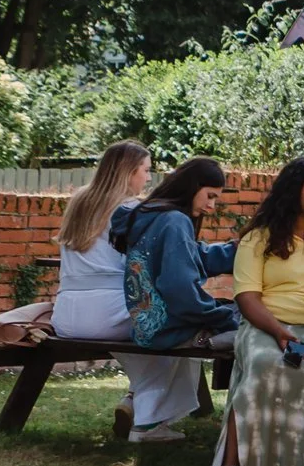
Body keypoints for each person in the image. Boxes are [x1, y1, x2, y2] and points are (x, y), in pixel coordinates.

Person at [208, 156, 304, 466]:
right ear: (292, 191)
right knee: (265, 365)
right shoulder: (259, 238)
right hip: (265, 323)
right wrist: (279, 332)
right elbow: (247, 297)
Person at [54, 142, 202, 442]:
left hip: (67, 314)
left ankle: (135, 399)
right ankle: (148, 421)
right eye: (146, 170)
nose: (148, 178)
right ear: (129, 171)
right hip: (108, 312)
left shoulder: (79, 200)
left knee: (153, 330)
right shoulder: (131, 209)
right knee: (181, 325)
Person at [111, 158, 238, 390]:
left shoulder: (151, 215)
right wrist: (224, 318)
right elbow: (181, 291)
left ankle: (136, 402)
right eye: (210, 196)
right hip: (171, 330)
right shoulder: (175, 221)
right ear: (191, 186)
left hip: (146, 328)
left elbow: (192, 257)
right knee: (251, 323)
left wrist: (237, 251)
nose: (211, 206)